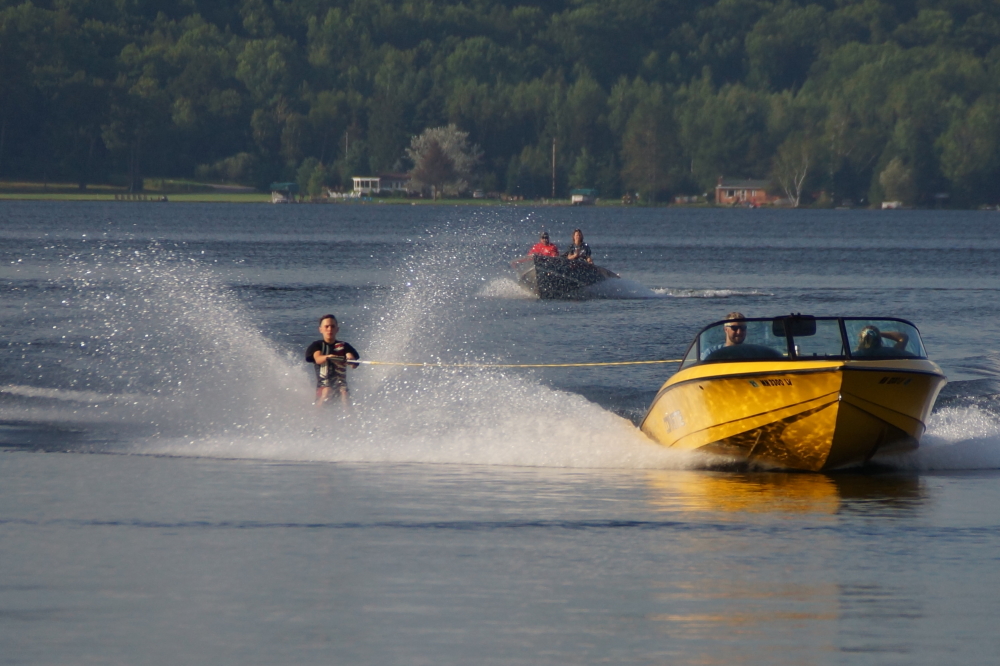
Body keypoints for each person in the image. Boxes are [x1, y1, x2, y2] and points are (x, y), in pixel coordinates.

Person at [305, 314, 360, 407]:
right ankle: (315, 417)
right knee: (327, 391)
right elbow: (318, 359)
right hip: (323, 386)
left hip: (341, 386)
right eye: (326, 326)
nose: (329, 329)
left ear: (337, 329)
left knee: (344, 394)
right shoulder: (317, 345)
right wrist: (328, 356)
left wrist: (350, 360)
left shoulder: (344, 346)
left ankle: (351, 419)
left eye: (332, 326)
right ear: (321, 329)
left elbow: (352, 361)